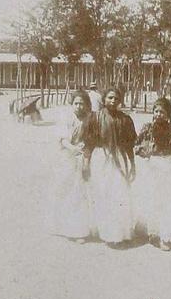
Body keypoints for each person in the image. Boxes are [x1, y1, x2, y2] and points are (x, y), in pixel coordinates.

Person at [134, 97, 171, 251]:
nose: (158, 114)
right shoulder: (147, 128)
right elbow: (136, 146)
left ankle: (165, 235)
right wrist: (146, 152)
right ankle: (154, 234)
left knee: (169, 202)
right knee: (153, 200)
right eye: (156, 111)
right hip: (153, 167)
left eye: (162, 111)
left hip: (170, 168)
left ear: (168, 114)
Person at [91, 87, 137, 243]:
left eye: (116, 98)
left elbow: (129, 145)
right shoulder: (95, 118)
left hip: (119, 158)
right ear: (104, 99)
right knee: (102, 194)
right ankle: (103, 231)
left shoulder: (125, 120)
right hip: (101, 158)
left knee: (119, 194)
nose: (113, 101)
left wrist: (132, 165)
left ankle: (118, 233)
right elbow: (89, 143)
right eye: (110, 97)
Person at [55, 90, 96, 240]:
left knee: (81, 194)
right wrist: (75, 149)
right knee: (67, 191)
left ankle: (80, 230)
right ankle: (65, 226)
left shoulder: (90, 119)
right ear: (72, 104)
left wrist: (86, 151)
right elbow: (63, 140)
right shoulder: (66, 118)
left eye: (81, 103)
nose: (78, 106)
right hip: (68, 157)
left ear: (86, 105)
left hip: (84, 157)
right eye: (76, 103)